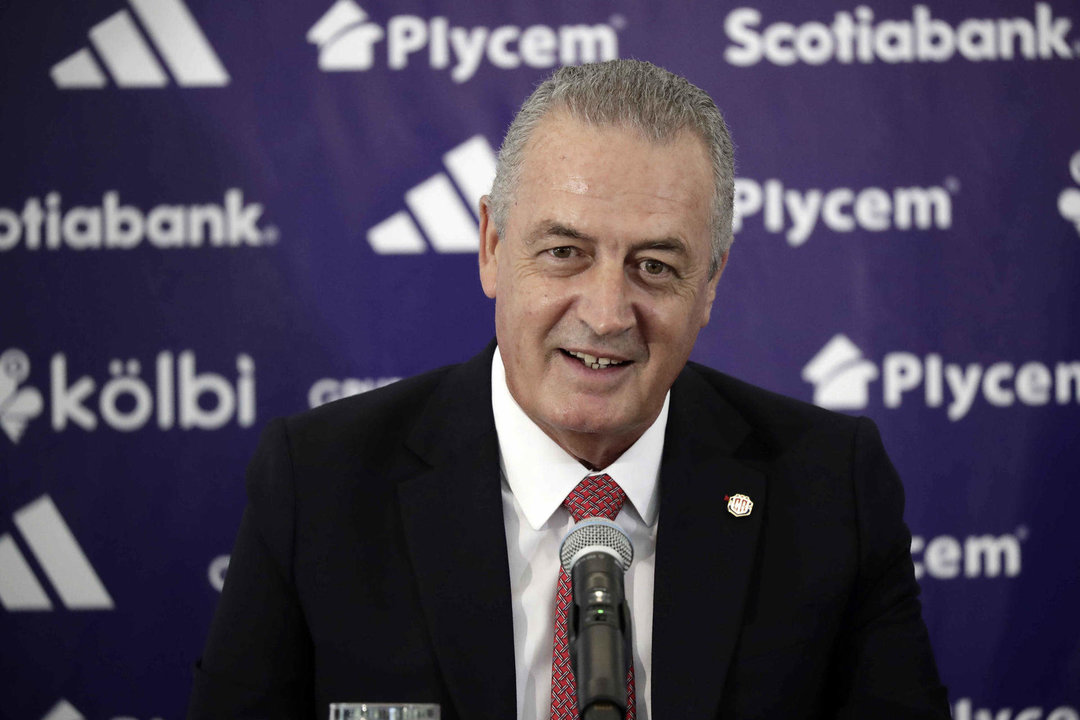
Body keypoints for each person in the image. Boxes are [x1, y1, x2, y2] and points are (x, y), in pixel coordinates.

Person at [187, 60, 949, 720]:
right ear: (491, 246)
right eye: (564, 252)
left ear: (711, 282)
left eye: (654, 265)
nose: (607, 313)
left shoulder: (826, 489)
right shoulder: (320, 484)